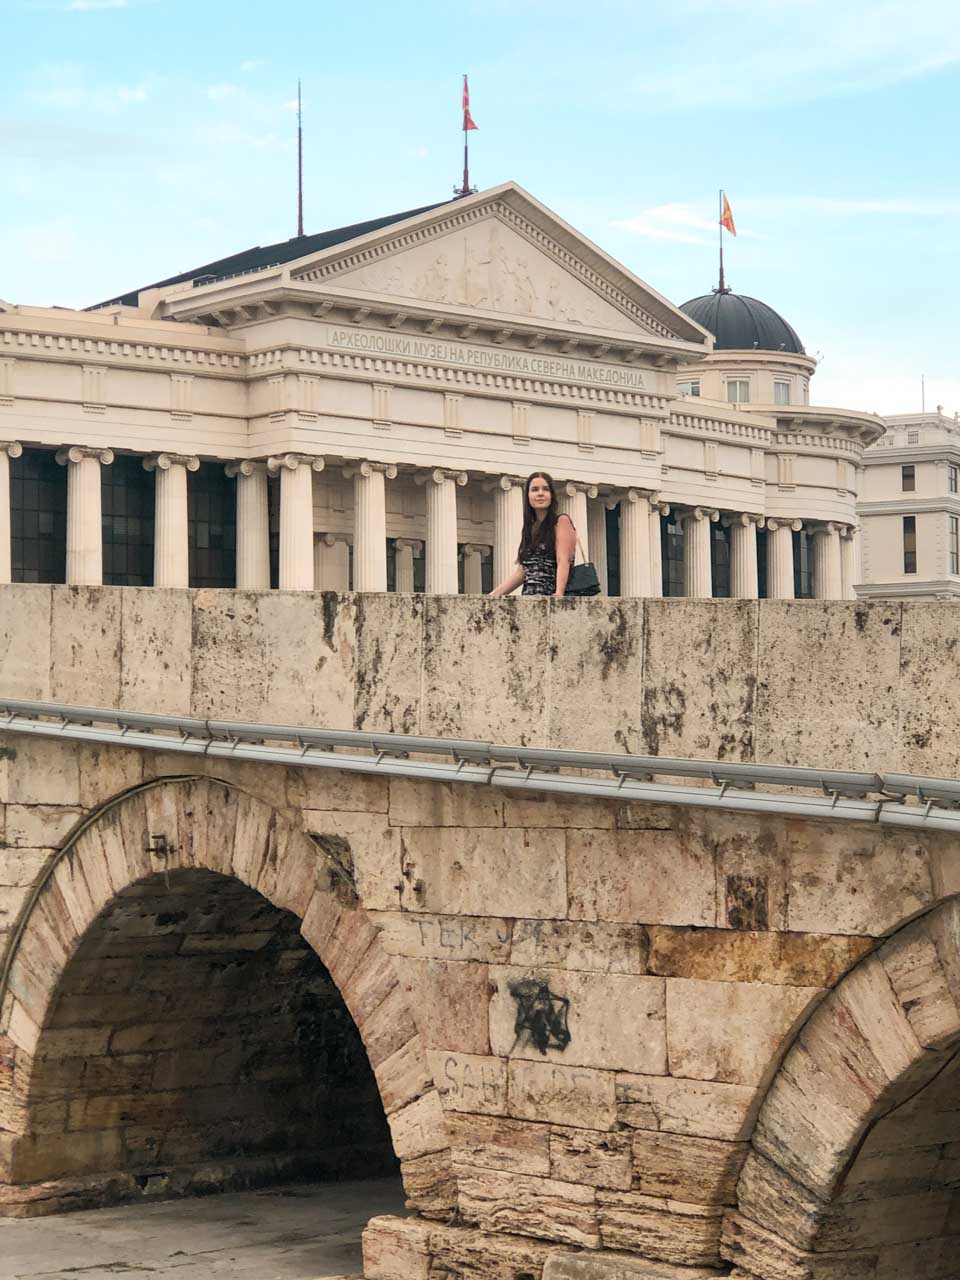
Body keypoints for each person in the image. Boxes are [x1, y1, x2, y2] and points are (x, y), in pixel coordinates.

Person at [489, 471, 577, 598]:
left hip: (549, 598)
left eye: (545, 489)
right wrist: (491, 596)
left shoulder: (561, 521)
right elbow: (522, 572)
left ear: (552, 495)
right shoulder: (531, 529)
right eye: (535, 489)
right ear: (528, 496)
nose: (540, 493)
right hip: (529, 600)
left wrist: (559, 593)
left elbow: (563, 560)